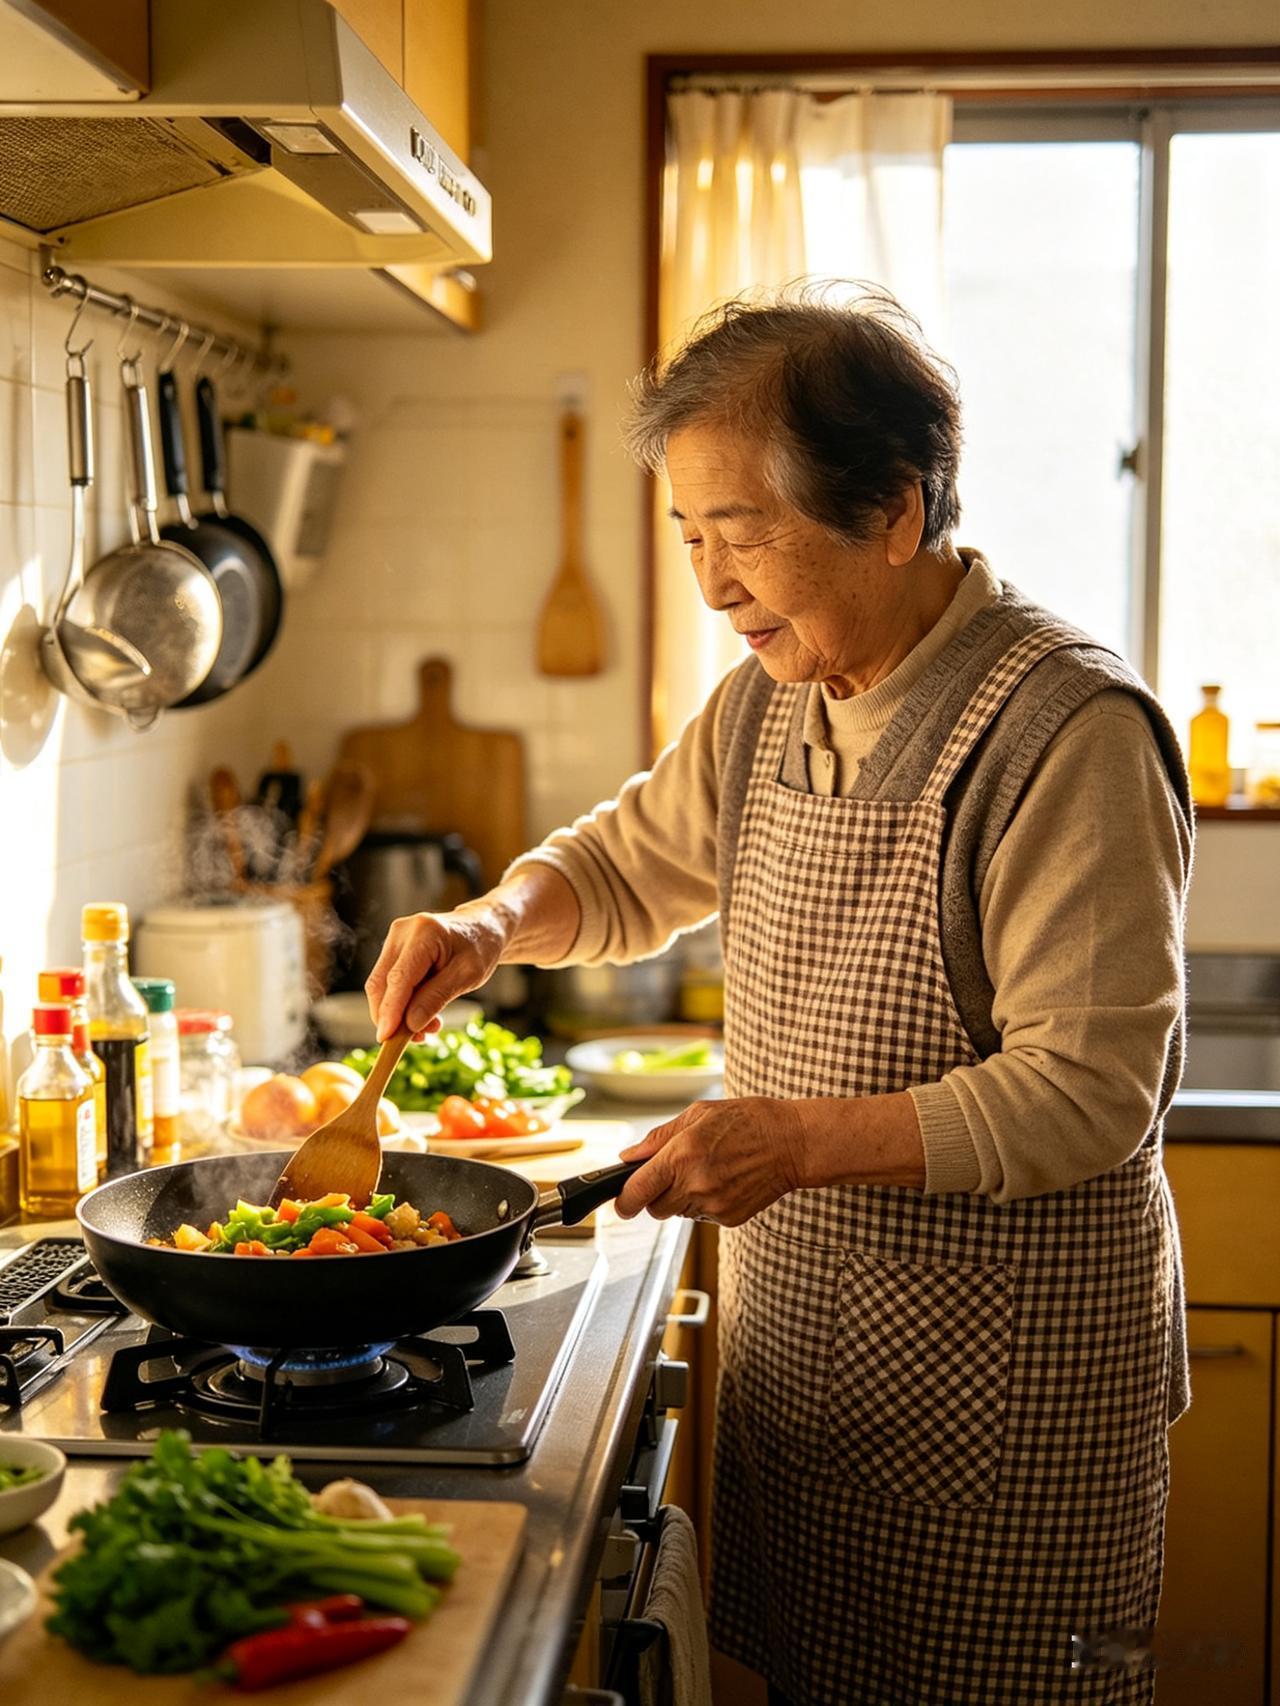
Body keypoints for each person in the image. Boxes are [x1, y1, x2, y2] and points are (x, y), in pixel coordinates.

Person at [366, 287, 1192, 1706]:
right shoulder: (772, 694)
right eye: (690, 535)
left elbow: (1088, 1094)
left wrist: (791, 1140)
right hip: (821, 1382)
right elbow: (625, 860)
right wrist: (489, 921)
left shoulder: (1069, 730)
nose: (710, 582)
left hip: (1005, 1416)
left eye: (741, 533)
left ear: (892, 509)